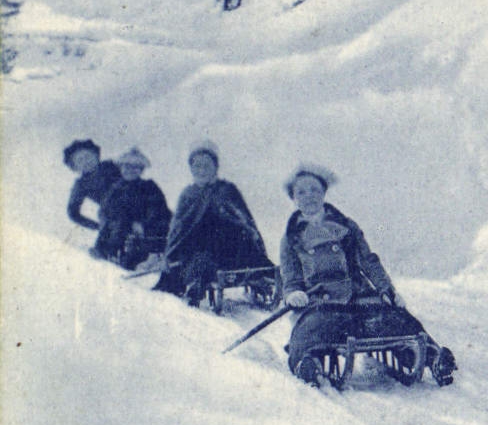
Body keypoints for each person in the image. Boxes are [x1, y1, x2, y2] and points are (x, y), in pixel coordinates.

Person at [280, 164, 455, 388]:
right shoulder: (292, 237)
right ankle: (307, 365)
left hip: (358, 296)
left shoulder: (346, 226)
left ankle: (434, 358)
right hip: (322, 301)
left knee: (398, 320)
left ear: (323, 192)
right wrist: (294, 292)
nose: (309, 196)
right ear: (293, 198)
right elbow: (290, 273)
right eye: (301, 192)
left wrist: (386, 290)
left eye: (314, 190)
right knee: (310, 331)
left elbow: (368, 260)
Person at [155, 141, 273, 303]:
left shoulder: (226, 190)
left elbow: (245, 221)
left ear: (215, 167)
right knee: (198, 260)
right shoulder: (188, 194)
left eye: (206, 166)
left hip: (230, 250)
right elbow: (178, 229)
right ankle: (194, 285)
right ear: (191, 169)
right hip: (197, 250)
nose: (202, 171)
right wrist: (169, 256)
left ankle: (261, 278)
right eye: (197, 166)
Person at [92, 148, 172, 269]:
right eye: (127, 166)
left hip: (145, 230)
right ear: (121, 168)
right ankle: (107, 252)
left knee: (132, 257)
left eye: (136, 167)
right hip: (122, 230)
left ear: (141, 170)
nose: (131, 170)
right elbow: (105, 210)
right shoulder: (116, 188)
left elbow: (157, 211)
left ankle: (154, 256)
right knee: (115, 226)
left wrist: (142, 225)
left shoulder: (148, 187)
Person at [63, 139, 121, 241]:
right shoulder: (81, 185)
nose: (86, 161)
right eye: (80, 160)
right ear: (74, 168)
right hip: (112, 214)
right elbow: (72, 212)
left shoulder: (110, 166)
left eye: (88, 156)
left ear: (96, 155)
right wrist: (96, 226)